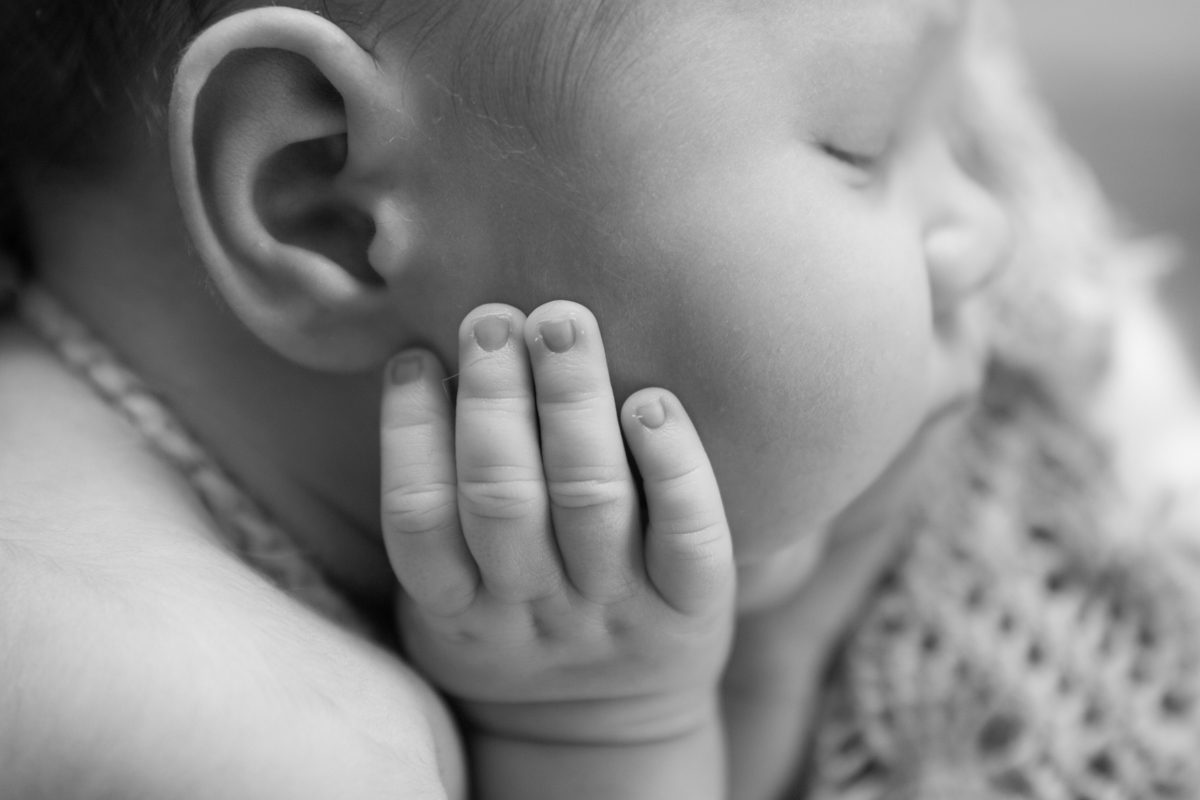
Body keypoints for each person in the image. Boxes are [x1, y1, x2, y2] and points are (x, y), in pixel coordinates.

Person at [2, 1, 1198, 799]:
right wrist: (603, 735)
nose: (987, 232)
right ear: (333, 209)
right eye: (865, 142)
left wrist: (755, 667)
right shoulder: (239, 733)